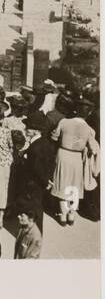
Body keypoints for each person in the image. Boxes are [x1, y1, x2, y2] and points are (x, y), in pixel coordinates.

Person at [50, 95, 98, 225]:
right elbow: (93, 147)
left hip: (63, 154)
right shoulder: (89, 129)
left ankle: (63, 216)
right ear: (87, 112)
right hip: (77, 158)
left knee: (63, 183)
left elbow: (54, 138)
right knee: (74, 186)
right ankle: (71, 215)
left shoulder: (64, 122)